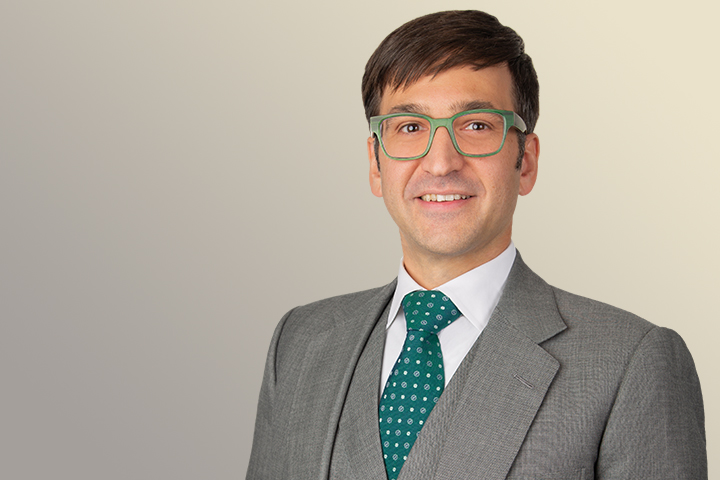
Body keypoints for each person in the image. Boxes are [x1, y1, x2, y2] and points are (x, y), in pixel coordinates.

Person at [246, 10, 706, 480]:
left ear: (526, 162)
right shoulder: (300, 343)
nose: (440, 162)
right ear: (376, 164)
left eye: (476, 126)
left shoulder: (631, 362)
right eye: (410, 127)